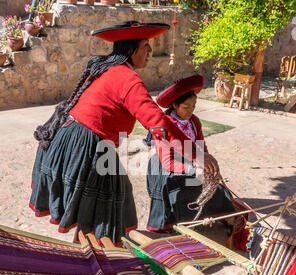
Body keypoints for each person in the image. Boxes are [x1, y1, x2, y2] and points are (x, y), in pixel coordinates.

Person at [29, 21, 203, 247]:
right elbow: (157, 123)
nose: (150, 51)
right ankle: (100, 256)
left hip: (79, 141)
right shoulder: (126, 78)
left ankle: (93, 253)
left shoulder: (112, 70)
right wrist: (198, 156)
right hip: (85, 146)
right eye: (145, 46)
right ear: (131, 49)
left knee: (111, 201)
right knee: (109, 205)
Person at [144, 75, 248, 249]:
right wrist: (194, 169)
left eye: (194, 106)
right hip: (166, 167)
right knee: (179, 192)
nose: (191, 110)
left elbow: (202, 150)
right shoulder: (164, 124)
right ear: (174, 105)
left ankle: (227, 220)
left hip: (193, 162)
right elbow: (168, 162)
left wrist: (209, 167)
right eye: (186, 107)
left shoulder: (194, 122)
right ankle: (180, 227)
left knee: (216, 187)